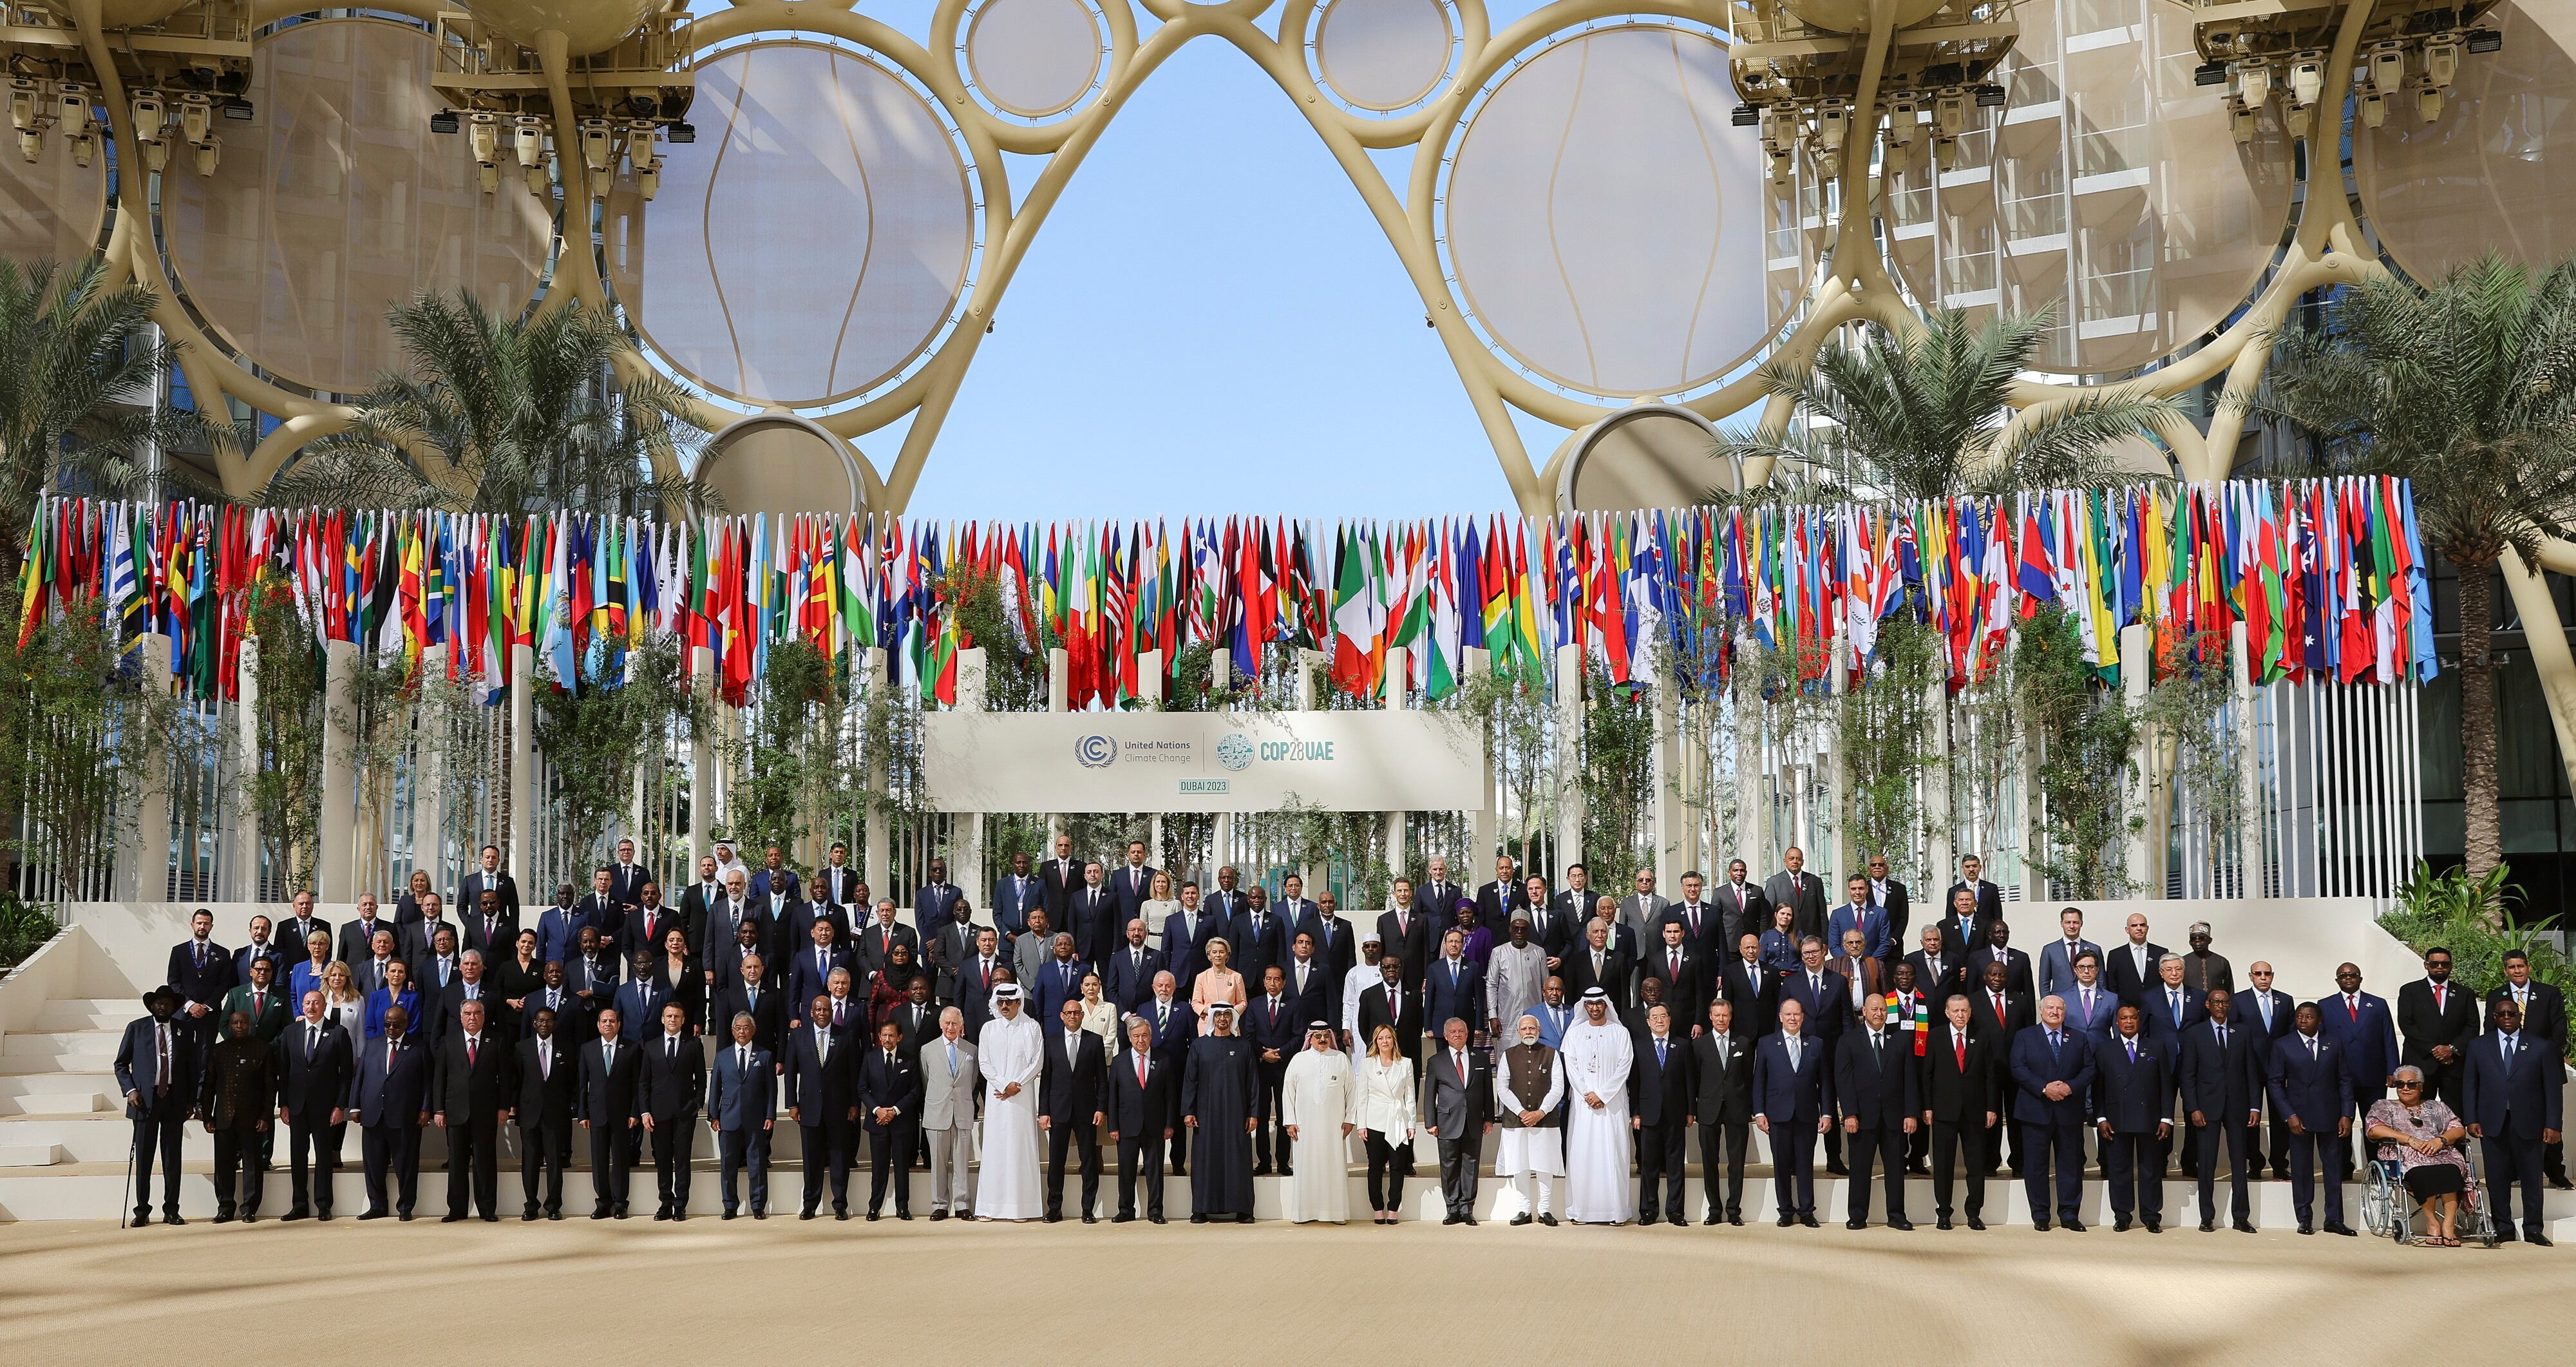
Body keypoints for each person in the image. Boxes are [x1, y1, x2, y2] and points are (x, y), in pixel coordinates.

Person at [2461, 999, 2562, 1245]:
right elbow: (2470, 1085)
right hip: (2491, 1122)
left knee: (2531, 1177)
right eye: (2502, 1014)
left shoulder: (2541, 1047)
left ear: (2520, 1017)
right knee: (2496, 1177)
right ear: (2494, 1017)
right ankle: (2503, 1226)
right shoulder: (2478, 1046)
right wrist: (2471, 1118)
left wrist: (2553, 1124)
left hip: (2530, 1122)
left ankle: (2533, 1228)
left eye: (2512, 1013)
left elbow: (2552, 1089)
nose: (2507, 1017)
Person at [2179, 986, 2266, 1232]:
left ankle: (2241, 1217)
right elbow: (2188, 1076)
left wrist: (2255, 1106)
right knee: (2206, 1164)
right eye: (2216, 1002)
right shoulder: (2195, 1034)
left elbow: (2252, 1073)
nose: (2220, 1006)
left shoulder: (2243, 1032)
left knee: (2240, 1162)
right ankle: (2207, 1217)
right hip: (2207, 1108)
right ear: (2208, 1005)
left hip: (2238, 1107)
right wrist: (2193, 1107)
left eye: (2224, 1003)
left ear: (2230, 1006)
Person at [2268, 1002, 2356, 1236]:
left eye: (2308, 1017)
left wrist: (2347, 1114)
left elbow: (2345, 1080)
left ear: (2319, 1021)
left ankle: (2334, 1219)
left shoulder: (2334, 1043)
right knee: (2302, 1169)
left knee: (2333, 1170)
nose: (2303, 1020)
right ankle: (2305, 1217)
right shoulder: (2283, 1045)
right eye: (2299, 1016)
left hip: (2331, 1115)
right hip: (2299, 1118)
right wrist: (2289, 1115)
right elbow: (2275, 1083)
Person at [2486, 950, 2571, 1188]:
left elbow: (2559, 1031)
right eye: (2512, 967)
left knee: (2550, 1121)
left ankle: (2555, 1173)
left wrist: (2540, 1060)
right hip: (2510, 1072)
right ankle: (2515, 1172)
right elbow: (2490, 1034)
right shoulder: (2497, 996)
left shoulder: (2549, 993)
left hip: (2544, 1070)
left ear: (2529, 967)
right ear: (2505, 971)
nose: (2517, 971)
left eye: (2521, 966)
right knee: (2513, 1121)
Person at [2011, 995, 2095, 1232]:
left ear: (2065, 1013)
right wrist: (2044, 1088)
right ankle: (2040, 1215)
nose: (2055, 1012)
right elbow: (2018, 1068)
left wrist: (2070, 1087)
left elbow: (2089, 1069)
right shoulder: (2025, 1036)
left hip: (2069, 1111)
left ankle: (2069, 1214)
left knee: (2070, 1164)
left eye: (2059, 1008)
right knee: (2036, 1166)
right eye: (2050, 1008)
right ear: (2041, 1011)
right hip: (2035, 1111)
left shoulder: (2079, 1038)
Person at [1834, 993, 1917, 1230]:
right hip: (1861, 1118)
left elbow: (1910, 1078)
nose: (1879, 1013)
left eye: (1882, 1009)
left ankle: (1897, 1215)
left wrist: (1911, 1113)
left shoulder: (1900, 1040)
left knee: (1896, 1169)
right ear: (1864, 1012)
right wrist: (1849, 1113)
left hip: (1894, 1118)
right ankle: (1858, 1216)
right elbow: (1844, 1081)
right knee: (1860, 1170)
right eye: (1874, 1010)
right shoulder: (1849, 1040)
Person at [2365, 1066, 2472, 1245]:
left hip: (2439, 1151)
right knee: (2423, 1172)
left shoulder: (2437, 1106)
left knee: (2451, 1170)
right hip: (2405, 1153)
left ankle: (2449, 1224)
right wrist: (2408, 1139)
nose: (2405, 1088)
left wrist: (2442, 1140)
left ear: (2421, 1086)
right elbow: (2374, 1129)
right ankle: (2432, 1223)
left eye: (2411, 1084)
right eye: (2400, 1084)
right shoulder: (2384, 1106)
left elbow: (2458, 1129)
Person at [1750, 997, 1830, 1227]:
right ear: (1781, 1017)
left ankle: (1806, 1211)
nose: (1793, 1018)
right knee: (1781, 1165)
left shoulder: (1815, 1044)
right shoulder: (1766, 1043)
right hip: (1778, 1114)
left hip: (1806, 1115)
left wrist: (1826, 1113)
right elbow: (1759, 1082)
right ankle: (1785, 1211)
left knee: (1806, 1164)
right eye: (1788, 1014)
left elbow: (1824, 1082)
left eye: (1797, 1014)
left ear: (1802, 1017)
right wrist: (1759, 1112)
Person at [2315, 962, 2400, 1179]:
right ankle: (2343, 1167)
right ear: (2337, 980)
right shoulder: (2325, 1005)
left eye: (2353, 975)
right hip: (2338, 1077)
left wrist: (2393, 1069)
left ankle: (2376, 1168)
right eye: (2343, 975)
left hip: (2372, 1075)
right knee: (2341, 1124)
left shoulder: (2378, 1004)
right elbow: (2320, 1039)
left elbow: (2388, 1038)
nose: (2348, 978)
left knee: (2374, 1124)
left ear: (2360, 978)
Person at [1560, 988, 1636, 1225]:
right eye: (1590, 1004)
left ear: (1606, 1005)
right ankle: (1582, 1211)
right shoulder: (1574, 1034)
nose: (1594, 1008)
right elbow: (1570, 1068)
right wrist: (1587, 1093)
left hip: (1612, 1104)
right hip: (1584, 1106)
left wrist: (1602, 1094)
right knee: (1583, 1153)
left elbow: (1625, 1066)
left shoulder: (1620, 1032)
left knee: (1614, 1154)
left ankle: (1616, 1212)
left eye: (1599, 1004)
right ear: (1585, 1006)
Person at [276, 989, 353, 1221]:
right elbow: (284, 1071)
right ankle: (299, 1204)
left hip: (326, 1108)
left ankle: (323, 1205)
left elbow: (346, 1074)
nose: (311, 1007)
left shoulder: (338, 1033)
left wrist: (340, 1105)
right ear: (302, 1005)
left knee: (323, 1157)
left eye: (316, 1003)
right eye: (307, 1003)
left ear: (324, 1006)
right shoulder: (290, 1032)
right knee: (298, 1157)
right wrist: (284, 1105)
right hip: (297, 1107)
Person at [1919, 993, 1994, 1230]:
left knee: (1975, 1165)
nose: (1960, 1015)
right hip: (1944, 1112)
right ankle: (1944, 1213)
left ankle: (1974, 1214)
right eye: (1956, 1011)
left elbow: (1991, 1076)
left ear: (1970, 1012)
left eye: (1964, 1011)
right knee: (1943, 1165)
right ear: (1947, 1013)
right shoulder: (1936, 1036)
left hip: (1975, 1112)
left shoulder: (1982, 1036)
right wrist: (1927, 1107)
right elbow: (1927, 1075)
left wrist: (1992, 1108)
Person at [428, 998, 507, 1223]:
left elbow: (505, 1077)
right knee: (456, 1162)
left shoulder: (497, 1041)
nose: (472, 1017)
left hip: (486, 1111)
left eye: (477, 1013)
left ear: (484, 1016)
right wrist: (439, 1109)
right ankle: (457, 1209)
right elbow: (439, 1078)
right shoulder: (448, 1041)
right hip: (455, 1111)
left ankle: (487, 1208)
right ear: (461, 1017)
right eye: (468, 1014)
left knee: (485, 1161)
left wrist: (503, 1107)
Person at [1182, 1000, 1258, 1222]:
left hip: (1237, 1115)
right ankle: (1201, 1209)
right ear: (1212, 1018)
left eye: (1227, 1015)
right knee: (1205, 1158)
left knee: (1238, 1159)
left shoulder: (1244, 1046)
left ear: (1232, 1019)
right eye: (1218, 1016)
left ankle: (1243, 1209)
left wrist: (1253, 1113)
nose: (1222, 1019)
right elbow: (1190, 1081)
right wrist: (1189, 1110)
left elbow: (1252, 1083)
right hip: (1206, 1115)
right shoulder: (1199, 1046)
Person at [2096, 1004, 2171, 1232]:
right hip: (2116, 1118)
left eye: (2133, 1018)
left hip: (2150, 1118)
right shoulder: (2104, 1049)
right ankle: (2122, 1215)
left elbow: (2166, 1086)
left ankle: (2151, 1215)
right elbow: (2098, 1086)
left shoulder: (2156, 1047)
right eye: (2124, 1018)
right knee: (2119, 1169)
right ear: (2116, 1023)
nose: (2129, 1022)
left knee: (2150, 1169)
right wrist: (2101, 1117)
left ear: (2140, 1021)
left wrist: (2167, 1118)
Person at [354, 1004, 430, 1220]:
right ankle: (377, 1206)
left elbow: (427, 1082)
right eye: (387, 1024)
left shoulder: (418, 1046)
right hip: (373, 1114)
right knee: (373, 1165)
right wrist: (355, 1106)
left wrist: (426, 1108)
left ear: (405, 1024)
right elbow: (360, 1077)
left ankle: (405, 1207)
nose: (390, 1028)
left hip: (405, 1115)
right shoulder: (373, 1044)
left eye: (396, 1025)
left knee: (406, 1164)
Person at [975, 984, 1045, 1220]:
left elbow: (1037, 1062)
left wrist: (1017, 1085)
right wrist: (1004, 1084)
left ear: (1019, 1003)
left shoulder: (1032, 1027)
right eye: (1001, 1002)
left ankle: (1020, 1207)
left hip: (1022, 1098)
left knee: (1020, 1150)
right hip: (997, 1098)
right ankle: (989, 1207)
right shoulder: (988, 1029)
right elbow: (984, 1063)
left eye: (1010, 1002)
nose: (1004, 1006)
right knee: (995, 1150)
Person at [785, 994, 857, 1219]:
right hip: (808, 1107)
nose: (823, 1013)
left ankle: (840, 1205)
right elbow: (790, 1072)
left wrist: (855, 1103)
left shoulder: (845, 1035)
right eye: (818, 1009)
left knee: (839, 1157)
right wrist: (792, 1104)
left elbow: (853, 1073)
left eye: (826, 1009)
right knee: (811, 1158)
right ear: (811, 1013)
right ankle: (810, 1204)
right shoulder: (798, 1037)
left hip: (839, 1106)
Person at [1039, 999, 1108, 1222]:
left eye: (1076, 1013)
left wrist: (1101, 1108)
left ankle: (1087, 1209)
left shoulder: (1095, 1041)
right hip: (1058, 1111)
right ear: (1061, 1016)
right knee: (1056, 1162)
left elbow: (1102, 1080)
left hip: (1087, 1111)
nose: (1072, 1016)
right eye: (1068, 1013)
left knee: (1088, 1161)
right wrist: (1044, 1111)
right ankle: (1054, 1209)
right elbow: (1046, 1081)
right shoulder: (1051, 1042)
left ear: (1082, 1016)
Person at [200, 1011, 273, 1223]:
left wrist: (266, 1115)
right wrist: (207, 1116)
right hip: (224, 1117)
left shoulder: (263, 1049)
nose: (239, 1026)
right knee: (223, 1165)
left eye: (243, 1022)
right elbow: (209, 1086)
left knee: (253, 1165)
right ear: (229, 1026)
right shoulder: (219, 1050)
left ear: (250, 1025)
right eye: (235, 1023)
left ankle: (249, 1208)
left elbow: (270, 1088)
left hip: (252, 1118)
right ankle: (225, 1207)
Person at [1281, 1020, 1356, 1223]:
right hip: (1304, 1127)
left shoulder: (1341, 1059)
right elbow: (1288, 1092)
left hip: (1334, 1127)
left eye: (1325, 1036)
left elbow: (1352, 1092)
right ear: (1310, 1038)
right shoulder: (1298, 1060)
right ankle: (1304, 1214)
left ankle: (1335, 1213)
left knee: (1333, 1167)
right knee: (1307, 1166)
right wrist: (1290, 1121)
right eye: (1318, 1036)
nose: (1322, 1040)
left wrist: (1350, 1119)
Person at [1685, 999, 1751, 1224]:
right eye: (1717, 1015)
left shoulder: (1743, 1043)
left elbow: (1749, 1079)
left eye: (1725, 1015)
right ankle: (1715, 1210)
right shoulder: (1699, 1045)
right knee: (1709, 1161)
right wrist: (1692, 1110)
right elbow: (1692, 1080)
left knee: (1736, 1162)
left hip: (1737, 1110)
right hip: (1708, 1110)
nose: (1721, 1019)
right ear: (1711, 1017)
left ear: (1730, 1017)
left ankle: (1734, 1211)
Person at [638, 1000, 705, 1220]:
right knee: (663, 1159)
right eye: (669, 1016)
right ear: (662, 1019)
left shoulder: (693, 1044)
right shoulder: (651, 1046)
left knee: (683, 1159)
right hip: (658, 1114)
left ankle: (680, 1204)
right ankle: (665, 1202)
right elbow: (644, 1082)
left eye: (677, 1016)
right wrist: (645, 1111)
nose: (673, 1020)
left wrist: (696, 1104)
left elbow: (701, 1079)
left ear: (683, 1020)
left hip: (685, 1113)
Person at [1629, 1002, 1693, 1225]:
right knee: (1649, 1165)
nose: (1659, 1020)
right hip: (1648, 1114)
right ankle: (1648, 1210)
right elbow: (1634, 1082)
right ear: (1648, 1022)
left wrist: (1690, 1111)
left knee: (1676, 1165)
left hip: (1676, 1114)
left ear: (1669, 1019)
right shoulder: (1639, 1046)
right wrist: (1635, 1112)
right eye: (1654, 1017)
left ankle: (1676, 1212)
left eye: (1663, 1016)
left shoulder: (1682, 1045)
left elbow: (1689, 1081)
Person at [1425, 1015, 1491, 1225]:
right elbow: (1429, 1095)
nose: (1457, 1035)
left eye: (1461, 1031)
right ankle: (1452, 1208)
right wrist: (1430, 1122)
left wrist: (1488, 1118)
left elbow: (1488, 1091)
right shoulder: (1436, 1061)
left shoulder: (1480, 1058)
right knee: (1449, 1166)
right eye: (1453, 1032)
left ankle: (1467, 1209)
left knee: (1471, 1165)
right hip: (1447, 1122)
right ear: (1445, 1036)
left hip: (1473, 1121)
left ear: (1467, 1033)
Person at [707, 1013, 775, 1218]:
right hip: (728, 1117)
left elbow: (771, 1090)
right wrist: (713, 1115)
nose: (742, 1032)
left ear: (753, 1030)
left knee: (757, 1163)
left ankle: (757, 1205)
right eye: (738, 1028)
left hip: (756, 1117)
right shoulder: (723, 1056)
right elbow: (715, 1089)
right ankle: (730, 1205)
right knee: (728, 1164)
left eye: (746, 1028)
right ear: (732, 1031)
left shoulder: (765, 1056)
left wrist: (770, 1114)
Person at [576, 1006, 641, 1219]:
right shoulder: (588, 1049)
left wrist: (635, 1112)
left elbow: (636, 1084)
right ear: (598, 1025)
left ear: (619, 1025)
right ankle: (603, 1202)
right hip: (596, 1113)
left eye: (612, 1021)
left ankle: (621, 1203)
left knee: (621, 1159)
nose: (608, 1024)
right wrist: (583, 1113)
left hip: (622, 1114)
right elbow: (582, 1084)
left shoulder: (631, 1048)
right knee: (599, 1159)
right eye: (604, 1021)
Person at [2396, 946, 2479, 1112]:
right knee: (2417, 1113)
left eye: (2444, 964)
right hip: (2421, 1062)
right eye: (2435, 964)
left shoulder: (2465, 993)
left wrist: (2451, 1049)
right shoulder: (2410, 991)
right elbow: (2406, 1024)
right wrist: (2435, 1050)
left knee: (2455, 1113)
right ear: (2426, 965)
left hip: (2454, 1064)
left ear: (2451, 966)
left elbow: (2472, 1026)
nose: (2440, 967)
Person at [514, 1006, 576, 1220]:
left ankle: (553, 1206)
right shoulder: (522, 1048)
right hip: (529, 1114)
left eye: (548, 1021)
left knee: (554, 1162)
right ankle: (531, 1205)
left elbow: (571, 1083)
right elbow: (518, 1081)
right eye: (540, 1021)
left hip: (555, 1114)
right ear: (534, 1024)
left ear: (554, 1024)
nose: (544, 1025)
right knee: (530, 1161)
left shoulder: (566, 1049)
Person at [857, 1018, 922, 1220]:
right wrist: (878, 1110)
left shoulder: (909, 1060)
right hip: (878, 1123)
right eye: (884, 1035)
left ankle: (903, 1208)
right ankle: (874, 1207)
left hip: (901, 1122)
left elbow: (915, 1091)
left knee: (902, 1168)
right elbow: (862, 1088)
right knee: (879, 1168)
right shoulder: (870, 1058)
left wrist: (894, 1110)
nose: (887, 1039)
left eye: (892, 1035)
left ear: (899, 1037)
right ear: (879, 1037)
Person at [1108, 1015, 1170, 1223]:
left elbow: (1170, 1096)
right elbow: (1113, 1097)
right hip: (1127, 1126)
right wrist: (1113, 1126)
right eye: (1136, 1036)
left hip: (1155, 1125)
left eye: (1144, 1036)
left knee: (1155, 1171)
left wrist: (1169, 1124)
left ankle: (1155, 1210)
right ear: (1130, 1037)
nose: (1141, 1040)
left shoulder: (1163, 1059)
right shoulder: (1119, 1062)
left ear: (1151, 1036)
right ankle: (1126, 1209)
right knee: (1126, 1170)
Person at [918, 1007, 980, 1219]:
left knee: (962, 1163)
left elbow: (973, 1081)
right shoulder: (927, 1050)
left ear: (961, 1025)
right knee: (938, 1164)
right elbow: (926, 1081)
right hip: (937, 1113)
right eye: (947, 1023)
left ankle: (962, 1204)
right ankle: (940, 1205)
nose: (951, 1027)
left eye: (955, 1023)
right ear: (940, 1024)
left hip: (962, 1111)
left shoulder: (971, 1050)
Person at [1354, 1024, 1419, 1224]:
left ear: (1394, 1040)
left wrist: (1412, 1124)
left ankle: (1393, 1208)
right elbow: (1362, 1096)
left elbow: (1410, 1097)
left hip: (1398, 1121)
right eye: (1381, 1038)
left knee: (1398, 1166)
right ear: (1375, 1041)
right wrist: (1361, 1124)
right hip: (1374, 1121)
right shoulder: (1367, 1065)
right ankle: (1377, 1208)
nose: (1385, 1041)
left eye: (1388, 1038)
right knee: (1375, 1166)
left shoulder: (1406, 1063)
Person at [2239, 960, 2297, 1178]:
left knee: (2281, 1117)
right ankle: (2254, 1162)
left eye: (2267, 974)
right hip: (2249, 1068)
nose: (2263, 977)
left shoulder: (2285, 1000)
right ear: (2251, 976)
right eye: (2258, 974)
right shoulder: (2239, 1000)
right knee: (2250, 1117)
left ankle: (2280, 1164)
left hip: (2278, 1068)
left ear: (2272, 975)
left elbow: (2292, 1036)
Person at [1245, 964, 1300, 1176]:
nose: (1272, 983)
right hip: (1261, 1068)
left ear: (1284, 983)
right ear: (1264, 981)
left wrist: (1281, 1052)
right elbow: (1249, 1035)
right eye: (1269, 979)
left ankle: (1283, 1161)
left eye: (1277, 980)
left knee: (1285, 1114)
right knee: (1261, 1113)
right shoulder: (1255, 1005)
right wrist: (1262, 1054)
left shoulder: (1293, 1005)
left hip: (1284, 1067)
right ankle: (1264, 1161)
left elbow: (1298, 1035)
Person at [1104, 916, 1166, 1015]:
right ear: (1127, 934)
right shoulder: (1117, 958)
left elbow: (1160, 989)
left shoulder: (1157, 956)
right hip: (1123, 1018)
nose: (1136, 933)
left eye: (1140, 930)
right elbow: (1111, 990)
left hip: (1149, 1015)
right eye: (1133, 930)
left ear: (1146, 933)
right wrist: (1125, 1015)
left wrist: (1146, 1011)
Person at [2035, 907, 2099, 1001]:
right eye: (2068, 922)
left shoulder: (2095, 949)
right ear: (2062, 924)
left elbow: (2101, 981)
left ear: (2081, 924)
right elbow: (2044, 982)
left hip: (2088, 1001)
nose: (2072, 926)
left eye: (2076, 922)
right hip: (2059, 1002)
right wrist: (2048, 1003)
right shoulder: (2049, 950)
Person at [1763, 846, 1826, 941]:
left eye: (1799, 859)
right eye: (1791, 859)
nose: (1795, 862)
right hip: (1784, 937)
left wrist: (1825, 940)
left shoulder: (1815, 882)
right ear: (1785, 861)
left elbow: (1822, 914)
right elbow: (1768, 914)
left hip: (1811, 938)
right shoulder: (1774, 882)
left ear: (1803, 862)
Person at [1189, 933, 1248, 1022]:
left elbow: (1242, 1002)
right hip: (1208, 1022)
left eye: (1221, 952)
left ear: (1227, 955)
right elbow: (1195, 1003)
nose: (1218, 955)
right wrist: (1211, 1011)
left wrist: (1229, 1013)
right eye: (1214, 952)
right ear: (1209, 956)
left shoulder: (1236, 977)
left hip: (1230, 1023)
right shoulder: (1201, 977)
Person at [2179, 922, 2232, 996]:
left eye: (2201, 938)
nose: (2197, 941)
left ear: (2210, 940)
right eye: (2193, 939)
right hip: (2191, 1004)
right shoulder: (2182, 962)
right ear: (2190, 942)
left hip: (2217, 1005)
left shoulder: (2222, 962)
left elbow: (2230, 988)